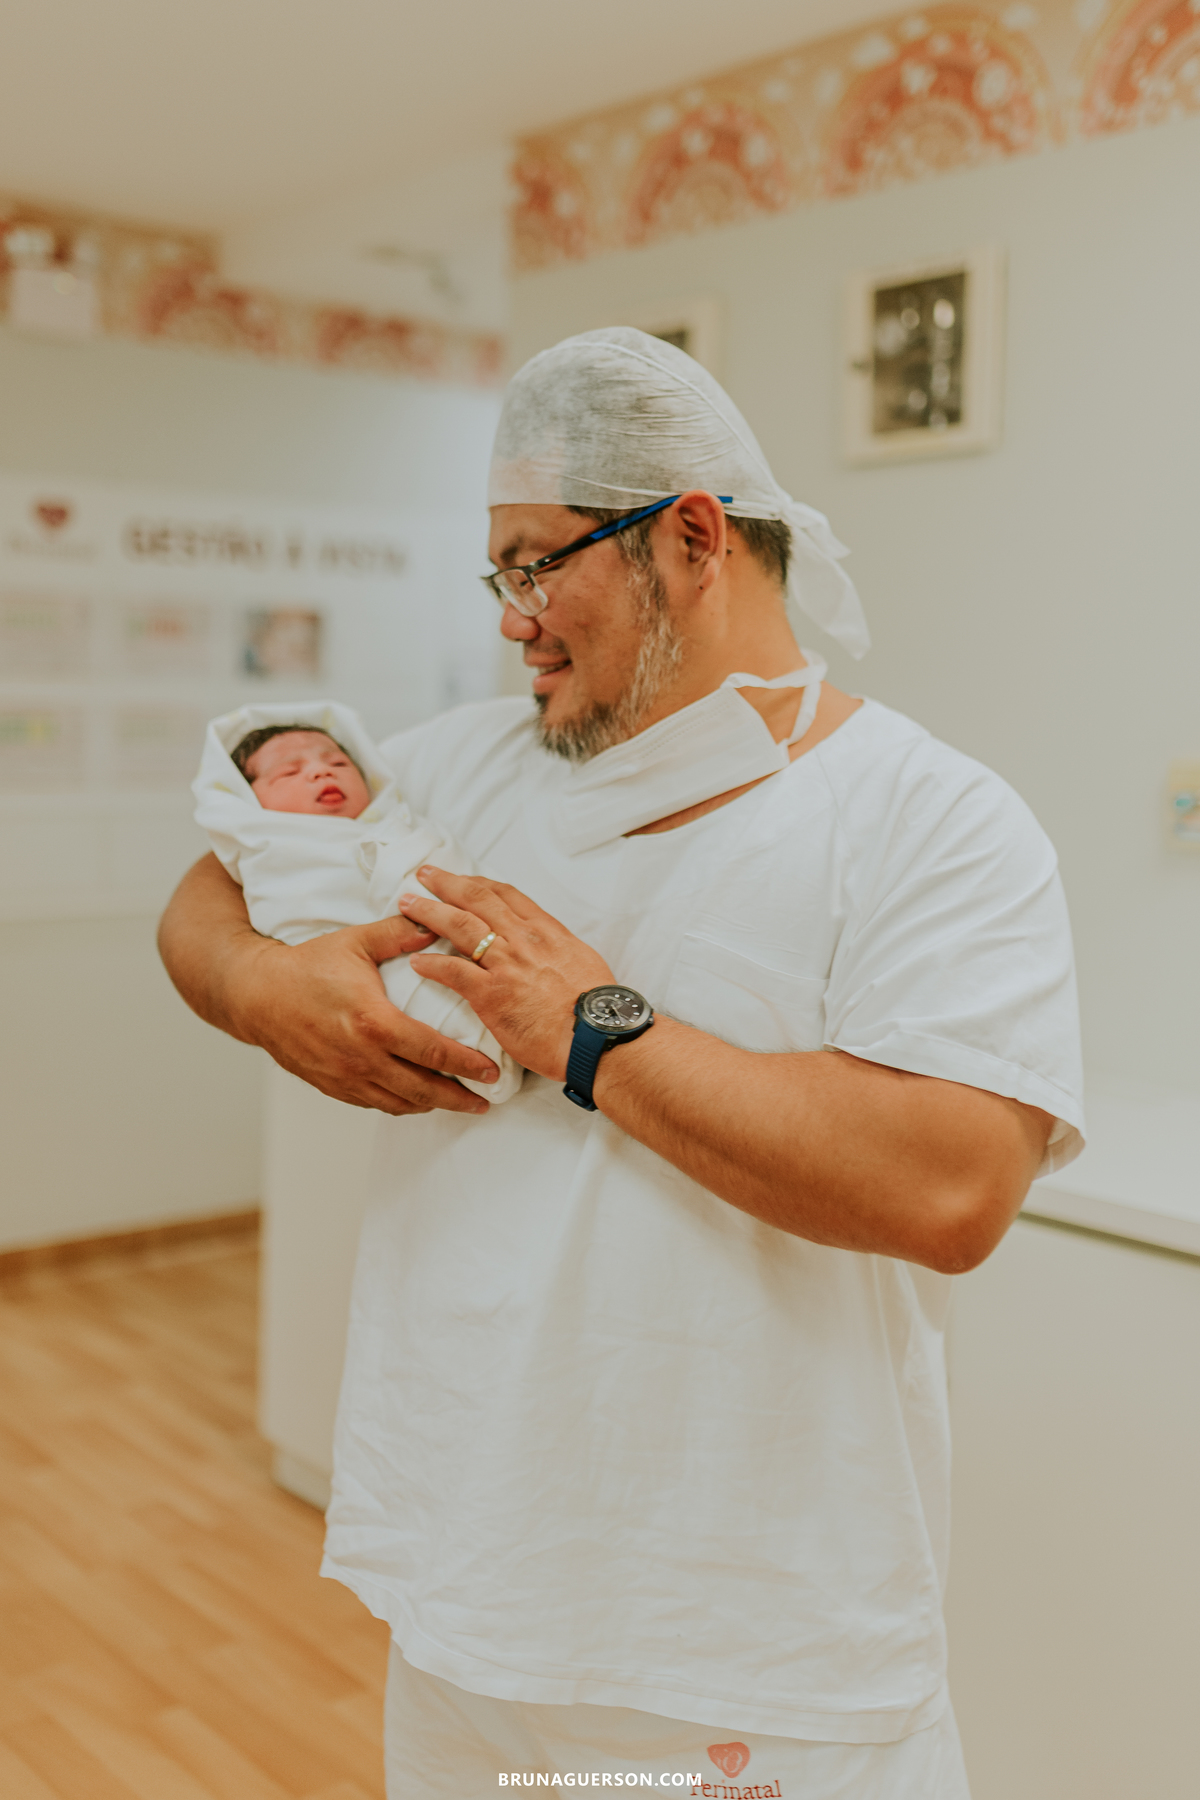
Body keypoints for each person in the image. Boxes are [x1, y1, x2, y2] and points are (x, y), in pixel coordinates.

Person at [159, 329, 1084, 1800]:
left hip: (752, 1669)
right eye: (499, 576)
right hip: (464, 1610)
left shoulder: (929, 818)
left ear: (692, 537)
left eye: (539, 564)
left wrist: (593, 1029)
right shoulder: (464, 765)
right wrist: (265, 984)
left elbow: (955, 1185)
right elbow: (218, 881)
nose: (514, 621)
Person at [192, 701, 521, 1102]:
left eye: (338, 763)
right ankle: (482, 1045)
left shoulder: (399, 821)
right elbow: (295, 920)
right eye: (289, 772)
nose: (321, 770)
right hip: (370, 975)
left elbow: (453, 869)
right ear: (246, 803)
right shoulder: (273, 853)